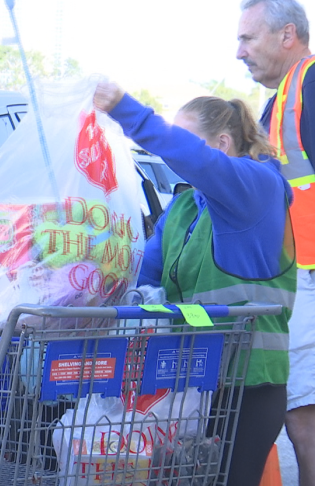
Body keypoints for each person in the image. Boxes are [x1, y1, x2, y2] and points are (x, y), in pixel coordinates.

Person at [94, 83, 296, 486]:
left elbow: (196, 161)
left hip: (248, 383)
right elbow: (145, 276)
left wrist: (122, 108)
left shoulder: (257, 188)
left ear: (221, 144)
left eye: (185, 141)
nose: (174, 156)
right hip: (190, 381)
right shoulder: (186, 205)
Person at [238, 1, 315, 483]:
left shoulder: (307, 89)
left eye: (248, 39)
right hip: (298, 274)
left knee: (301, 413)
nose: (239, 52)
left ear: (287, 35)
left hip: (306, 275)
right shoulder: (285, 96)